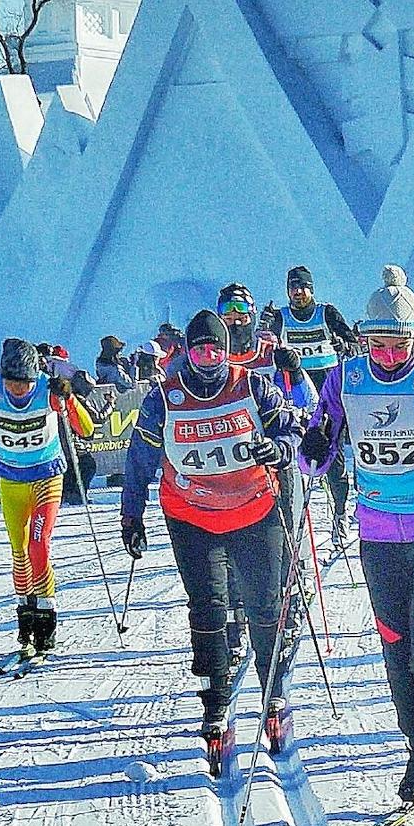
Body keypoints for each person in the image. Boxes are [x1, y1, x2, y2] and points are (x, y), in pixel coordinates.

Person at [300, 266, 414, 826]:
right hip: (380, 534)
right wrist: (315, 442)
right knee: (397, 654)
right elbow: (316, 459)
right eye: (376, 343)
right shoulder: (344, 380)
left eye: (397, 343)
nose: (386, 355)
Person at [118, 308, 304, 770]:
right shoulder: (165, 396)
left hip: (255, 509)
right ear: (187, 351)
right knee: (207, 610)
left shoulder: (253, 385)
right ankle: (215, 705)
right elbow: (140, 456)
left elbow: (291, 427)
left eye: (215, 348)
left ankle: (273, 692)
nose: (208, 357)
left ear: (225, 349)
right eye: (200, 348)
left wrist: (278, 448)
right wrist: (131, 514)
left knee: (264, 607)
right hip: (191, 516)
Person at [0, 337, 96, 659]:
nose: (18, 390)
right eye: (13, 382)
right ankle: (26, 621)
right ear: (3, 377)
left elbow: (85, 429)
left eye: (25, 383)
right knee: (19, 552)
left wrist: (67, 398)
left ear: (35, 377)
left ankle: (47, 620)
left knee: (38, 545)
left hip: (46, 478)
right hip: (11, 481)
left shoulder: (45, 388)